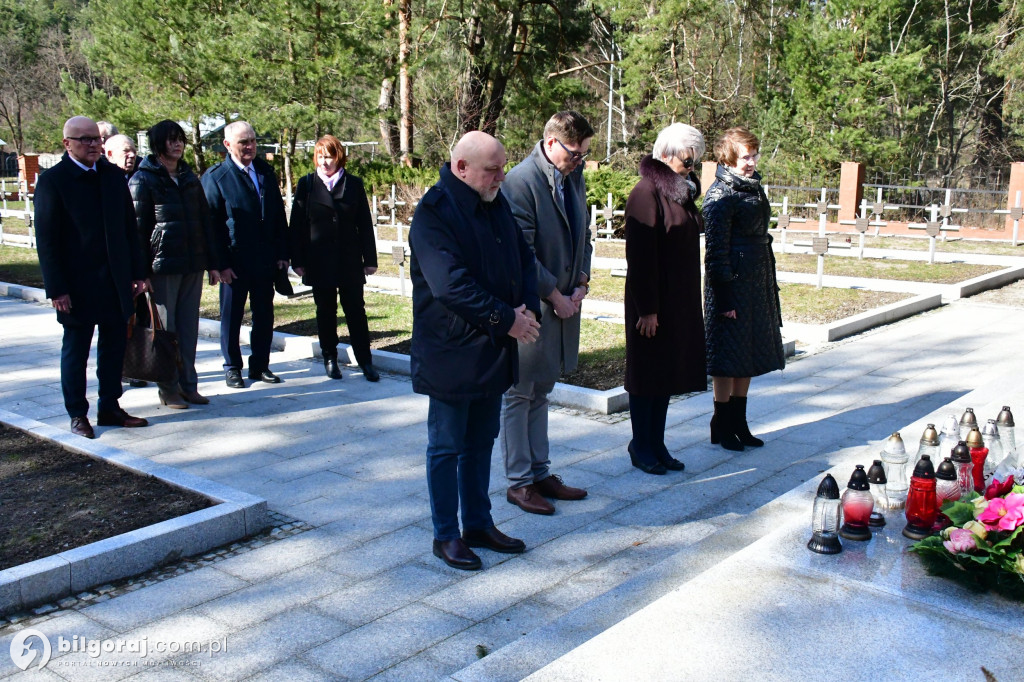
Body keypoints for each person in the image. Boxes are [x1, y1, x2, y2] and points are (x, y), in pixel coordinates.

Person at [410, 130, 541, 570]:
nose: (501, 177)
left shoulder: (493, 201)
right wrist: (509, 319)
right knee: (446, 445)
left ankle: (479, 524)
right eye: (492, 169)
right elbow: (451, 286)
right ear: (461, 168)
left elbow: (522, 257)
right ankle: (446, 535)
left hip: (491, 347)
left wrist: (526, 309)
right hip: (451, 351)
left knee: (481, 440)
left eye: (502, 167)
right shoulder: (433, 213)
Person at [499, 111, 593, 514]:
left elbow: (583, 232)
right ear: (551, 143)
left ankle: (540, 473)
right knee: (519, 393)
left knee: (541, 390)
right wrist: (555, 295)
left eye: (585, 156)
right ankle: (519, 483)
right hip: (532, 306)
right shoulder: (520, 181)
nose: (580, 162)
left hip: (563, 301)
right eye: (575, 154)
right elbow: (522, 254)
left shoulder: (573, 175)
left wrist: (583, 279)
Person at [34, 116, 150, 439]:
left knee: (113, 349)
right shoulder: (53, 182)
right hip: (76, 287)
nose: (92, 145)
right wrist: (56, 288)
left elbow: (131, 229)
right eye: (83, 139)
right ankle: (77, 414)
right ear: (67, 143)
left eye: (95, 139)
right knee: (76, 350)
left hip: (115, 282)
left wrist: (138, 273)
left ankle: (110, 407)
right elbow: (47, 241)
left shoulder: (113, 177)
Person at [623, 123, 708, 475]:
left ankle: (657, 443)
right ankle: (640, 444)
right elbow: (641, 257)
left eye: (695, 162)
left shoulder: (678, 192)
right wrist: (648, 309)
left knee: (666, 375)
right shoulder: (646, 192)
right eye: (687, 161)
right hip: (653, 304)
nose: (692, 168)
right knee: (647, 375)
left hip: (677, 302)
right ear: (665, 154)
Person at [702, 127, 785, 451]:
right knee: (726, 355)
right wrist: (723, 297)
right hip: (731, 284)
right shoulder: (720, 195)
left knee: (746, 352)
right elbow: (715, 252)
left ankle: (739, 421)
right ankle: (721, 423)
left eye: (753, 155)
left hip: (755, 283)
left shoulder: (753, 188)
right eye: (745, 156)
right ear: (729, 157)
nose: (751, 162)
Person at [130, 120, 222, 409]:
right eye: (171, 140)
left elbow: (205, 224)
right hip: (162, 268)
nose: (177, 145)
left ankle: (188, 385)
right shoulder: (143, 180)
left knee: (187, 329)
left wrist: (213, 263)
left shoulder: (190, 179)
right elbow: (136, 231)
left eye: (180, 139)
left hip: (191, 265)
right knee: (166, 331)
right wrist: (140, 273)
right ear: (158, 144)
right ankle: (167, 388)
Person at [202, 121, 289, 389]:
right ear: (228, 145)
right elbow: (210, 226)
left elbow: (276, 216)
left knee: (264, 314)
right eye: (243, 142)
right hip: (234, 262)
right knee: (232, 316)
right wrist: (219, 264)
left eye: (252, 140)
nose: (250, 146)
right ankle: (232, 367)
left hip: (265, 260)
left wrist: (283, 253)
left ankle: (260, 365)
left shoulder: (264, 172)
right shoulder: (215, 177)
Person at [289, 135, 379, 382]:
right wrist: (297, 260)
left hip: (348, 260)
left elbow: (364, 224)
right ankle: (330, 358)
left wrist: (369, 259)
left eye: (329, 156)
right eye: (320, 156)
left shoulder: (354, 184)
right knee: (325, 311)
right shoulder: (307, 184)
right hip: (319, 260)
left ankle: (365, 360)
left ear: (339, 157)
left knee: (355, 312)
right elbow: (296, 226)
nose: (324, 162)